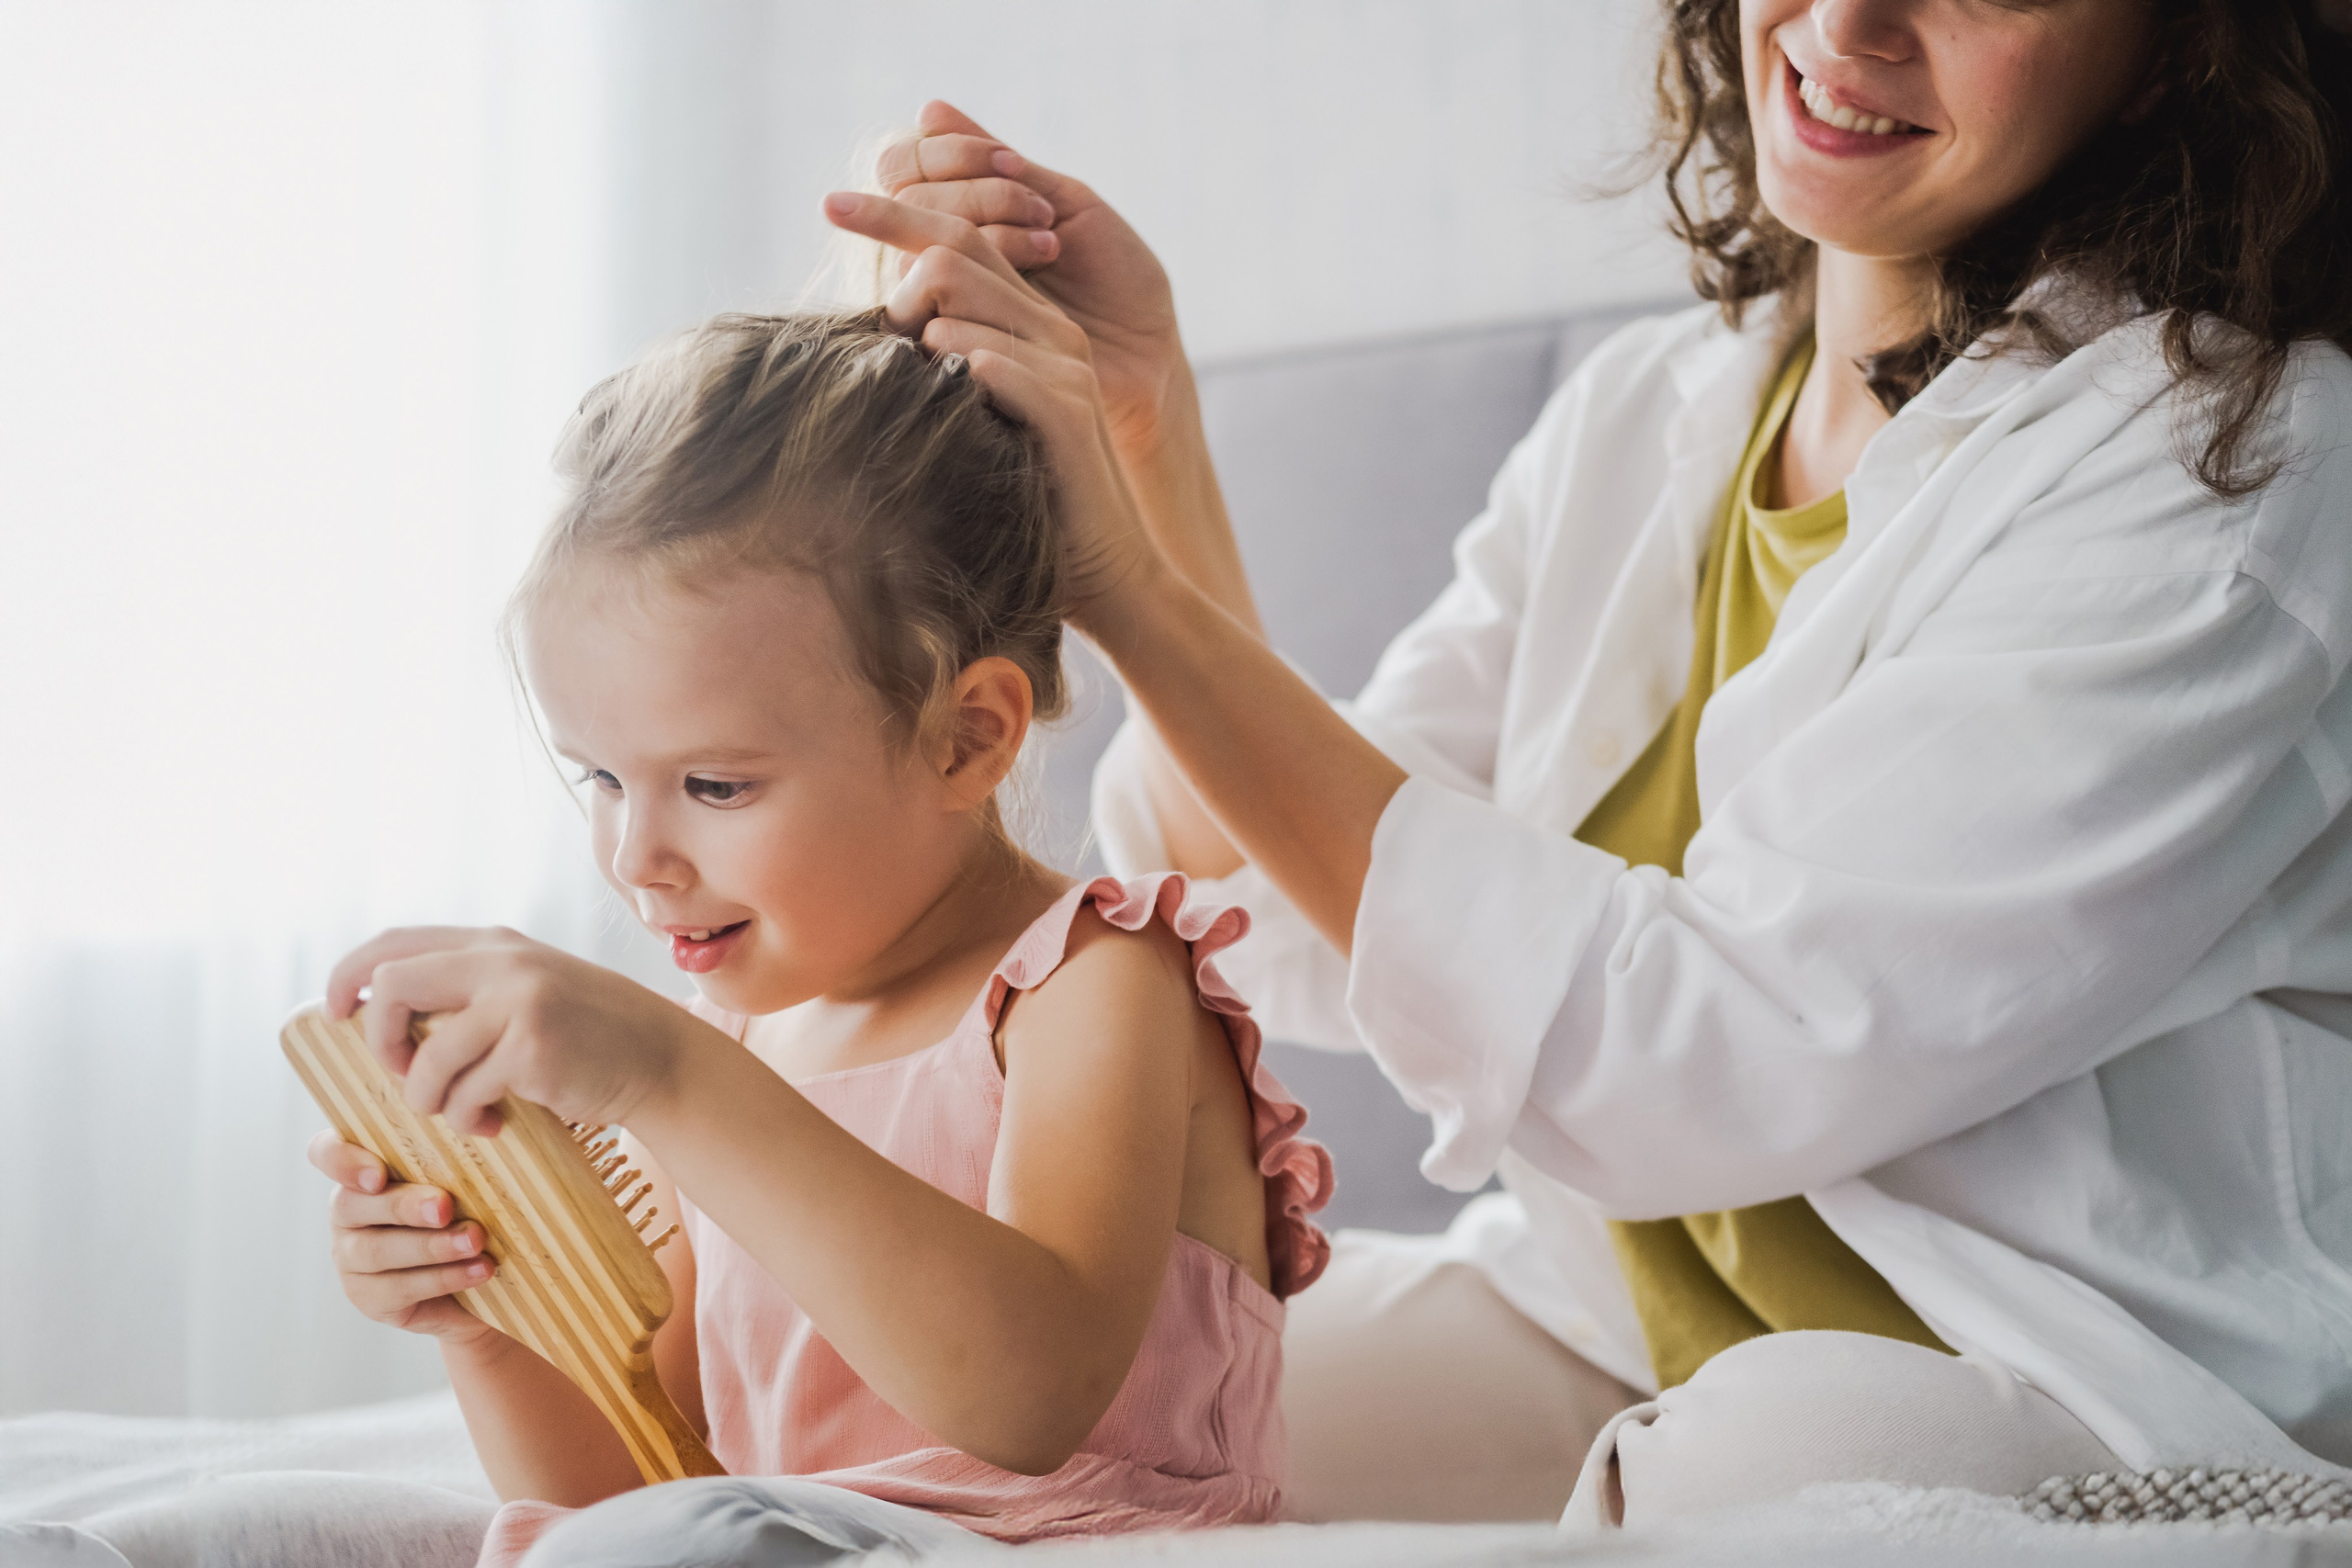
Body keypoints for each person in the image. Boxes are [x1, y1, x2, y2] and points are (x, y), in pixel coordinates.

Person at [821, 0, 2352, 1529]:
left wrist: (1133, 596)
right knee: (1115, 1424)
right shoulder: (1655, 405)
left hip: (2041, 1384)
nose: (1849, 20)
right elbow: (1291, 895)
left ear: (2179, 51)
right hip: (1622, 1319)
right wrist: (1147, 428)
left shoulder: (2239, 470)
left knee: (1751, 1468)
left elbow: (1702, 1052)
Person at [32, 310, 1331, 1568]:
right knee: (251, 1526)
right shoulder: (735, 1042)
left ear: (966, 738)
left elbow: (1026, 1398)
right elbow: (640, 1489)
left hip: (1058, 1551)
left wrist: (674, 1076)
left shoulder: (1095, 986)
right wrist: (484, 1322)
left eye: (715, 788)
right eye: (599, 778)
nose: (632, 859)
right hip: (759, 1541)